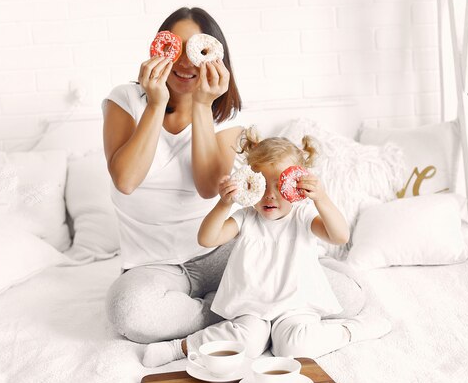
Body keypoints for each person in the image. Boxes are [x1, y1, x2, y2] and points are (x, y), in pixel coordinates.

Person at [142, 129, 391, 367]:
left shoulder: (302, 215)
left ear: (296, 186)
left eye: (279, 185)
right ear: (250, 182)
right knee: (247, 343)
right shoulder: (246, 217)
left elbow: (339, 236)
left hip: (295, 305)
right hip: (252, 307)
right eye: (262, 184)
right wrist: (223, 204)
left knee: (294, 348)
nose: (270, 195)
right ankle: (179, 348)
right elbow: (207, 239)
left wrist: (322, 198)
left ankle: (351, 330)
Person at [102, 7, 244, 344]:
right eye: (175, 48)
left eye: (196, 50)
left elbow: (209, 188)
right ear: (157, 49)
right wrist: (155, 103)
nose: (184, 62)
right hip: (153, 266)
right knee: (128, 312)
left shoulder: (228, 116)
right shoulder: (125, 100)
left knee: (287, 273)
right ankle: (231, 310)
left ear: (215, 54)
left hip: (220, 251)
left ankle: (235, 305)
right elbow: (126, 180)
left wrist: (201, 106)